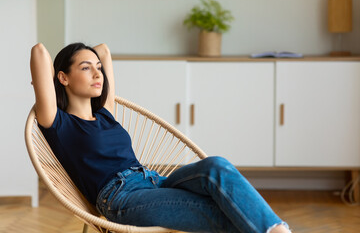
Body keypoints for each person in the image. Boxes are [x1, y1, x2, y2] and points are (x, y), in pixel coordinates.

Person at [30, 42, 291, 233]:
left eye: (98, 68)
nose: (98, 74)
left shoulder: (105, 114)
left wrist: (91, 58)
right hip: (121, 198)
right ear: (62, 77)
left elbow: (105, 50)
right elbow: (39, 51)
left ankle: (278, 230)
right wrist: (54, 80)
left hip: (154, 180)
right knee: (223, 211)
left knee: (217, 165)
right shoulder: (58, 123)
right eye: (85, 68)